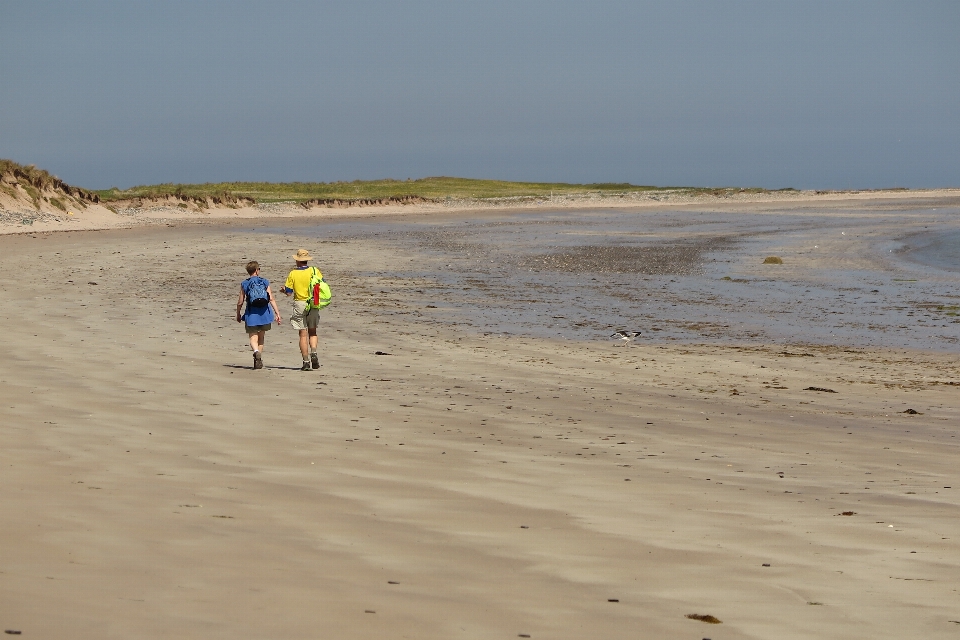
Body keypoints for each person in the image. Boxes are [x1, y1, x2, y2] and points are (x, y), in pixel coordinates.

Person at [236, 261, 281, 370]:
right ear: (257, 270)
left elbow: (240, 302)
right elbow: (271, 298)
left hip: (251, 314)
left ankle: (256, 353)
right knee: (261, 337)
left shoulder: (245, 283)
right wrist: (277, 313)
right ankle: (258, 357)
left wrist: (238, 313)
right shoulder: (264, 281)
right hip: (265, 314)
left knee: (253, 337)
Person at [282, 248, 322, 371]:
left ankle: (306, 362)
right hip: (313, 303)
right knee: (313, 331)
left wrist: (283, 291)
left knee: (302, 334)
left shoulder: (293, 273)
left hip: (300, 303)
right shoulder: (314, 271)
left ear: (298, 261)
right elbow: (321, 285)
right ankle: (314, 352)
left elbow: (289, 292)